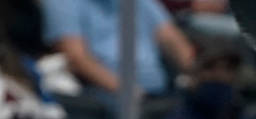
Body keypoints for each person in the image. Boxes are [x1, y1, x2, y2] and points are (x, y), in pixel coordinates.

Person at [43, 0, 194, 98]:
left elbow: (172, 38)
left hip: (157, 91)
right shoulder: (62, 3)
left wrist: (198, 76)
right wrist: (128, 91)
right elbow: (77, 59)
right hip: (102, 92)